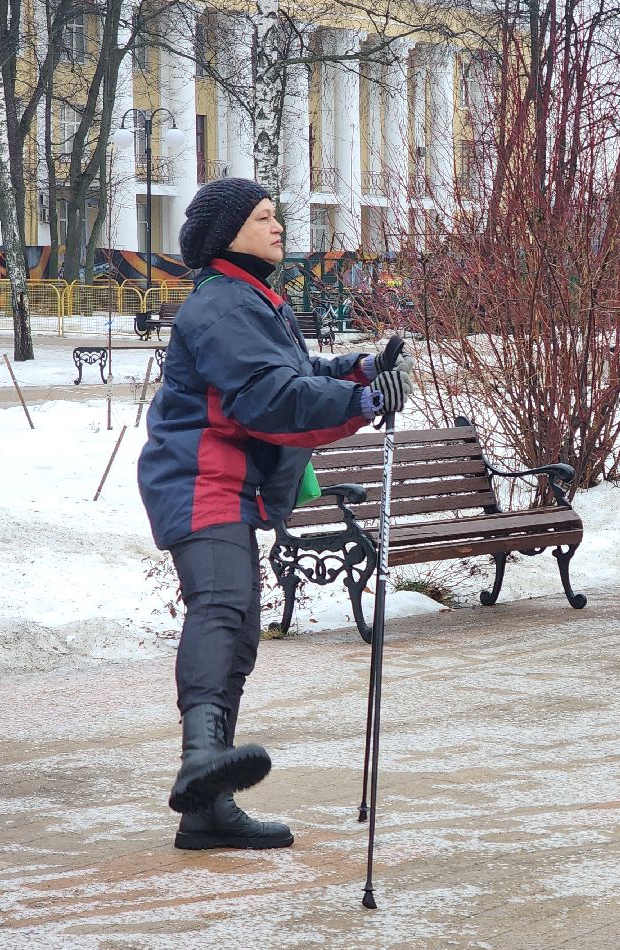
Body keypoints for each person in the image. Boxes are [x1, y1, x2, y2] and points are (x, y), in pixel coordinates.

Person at [137, 177, 414, 851]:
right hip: (200, 476)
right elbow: (268, 398)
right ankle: (199, 760)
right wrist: (361, 404)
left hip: (227, 481)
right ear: (226, 234)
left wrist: (357, 371)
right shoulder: (226, 304)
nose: (278, 226)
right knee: (223, 609)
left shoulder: (252, 299)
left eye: (276, 215)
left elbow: (292, 370)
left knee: (240, 634)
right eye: (263, 217)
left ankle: (206, 807)